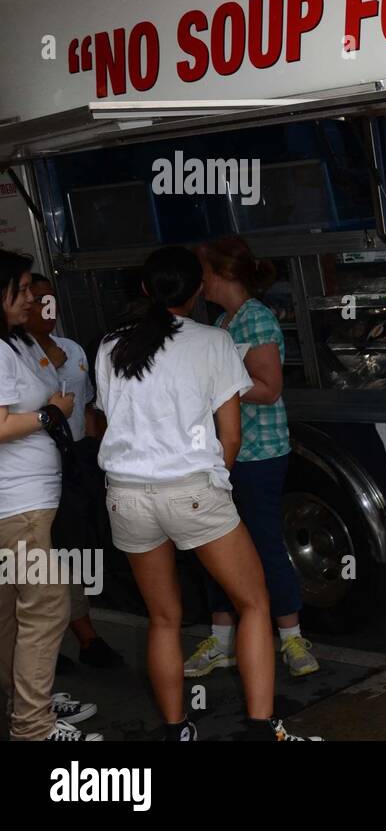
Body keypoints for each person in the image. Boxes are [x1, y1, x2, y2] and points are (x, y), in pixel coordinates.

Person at [95, 246, 318, 740]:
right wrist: (214, 484)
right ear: (199, 289)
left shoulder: (111, 344)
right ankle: (262, 728)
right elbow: (231, 435)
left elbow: (109, 419)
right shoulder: (213, 341)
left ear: (147, 289)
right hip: (192, 489)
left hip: (126, 496)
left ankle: (177, 729)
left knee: (163, 618)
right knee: (255, 605)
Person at [186, 236, 319, 679]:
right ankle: (222, 640)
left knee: (262, 543)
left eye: (201, 271)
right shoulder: (225, 320)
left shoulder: (255, 320)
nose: (197, 281)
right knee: (218, 546)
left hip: (259, 453)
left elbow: (269, 388)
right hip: (227, 451)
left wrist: (216, 384)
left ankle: (292, 638)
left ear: (221, 272)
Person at [0, 250, 101, 740]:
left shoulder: (17, 342)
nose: (31, 299)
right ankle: (32, 727)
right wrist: (50, 414)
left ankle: (24, 703)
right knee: (46, 609)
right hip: (18, 506)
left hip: (30, 500)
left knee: (13, 614)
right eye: (21, 290)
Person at [23, 273, 124, 670]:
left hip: (78, 458)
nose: (47, 308)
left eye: (51, 299)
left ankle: (82, 634)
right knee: (39, 558)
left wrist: (102, 457)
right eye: (36, 300)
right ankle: (66, 640)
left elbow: (87, 408)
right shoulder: (14, 356)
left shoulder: (73, 350)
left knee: (77, 550)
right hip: (32, 465)